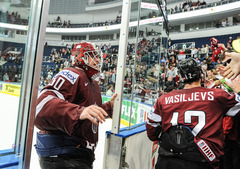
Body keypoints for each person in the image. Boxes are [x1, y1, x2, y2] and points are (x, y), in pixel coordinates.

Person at [34, 42, 117, 169]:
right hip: (63, 155)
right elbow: (41, 106)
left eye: (98, 56)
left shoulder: (92, 83)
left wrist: (108, 108)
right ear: (80, 57)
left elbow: (86, 111)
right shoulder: (71, 74)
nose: (98, 59)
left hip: (78, 155)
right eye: (93, 55)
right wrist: (78, 112)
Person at [146, 58, 240, 169]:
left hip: (167, 161)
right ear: (201, 74)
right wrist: (238, 90)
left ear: (181, 78)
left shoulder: (163, 99)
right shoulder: (217, 96)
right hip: (203, 160)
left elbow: (151, 129)